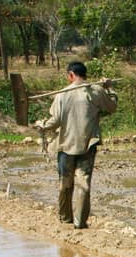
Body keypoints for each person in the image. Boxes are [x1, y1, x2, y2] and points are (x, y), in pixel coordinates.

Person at [36, 62, 118, 229]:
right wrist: (110, 88)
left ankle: (65, 217)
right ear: (84, 74)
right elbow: (112, 107)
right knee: (83, 183)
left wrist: (42, 125)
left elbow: (55, 120)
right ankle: (80, 222)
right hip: (87, 145)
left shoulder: (62, 94)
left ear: (71, 75)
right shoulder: (96, 91)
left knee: (65, 183)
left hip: (66, 145)